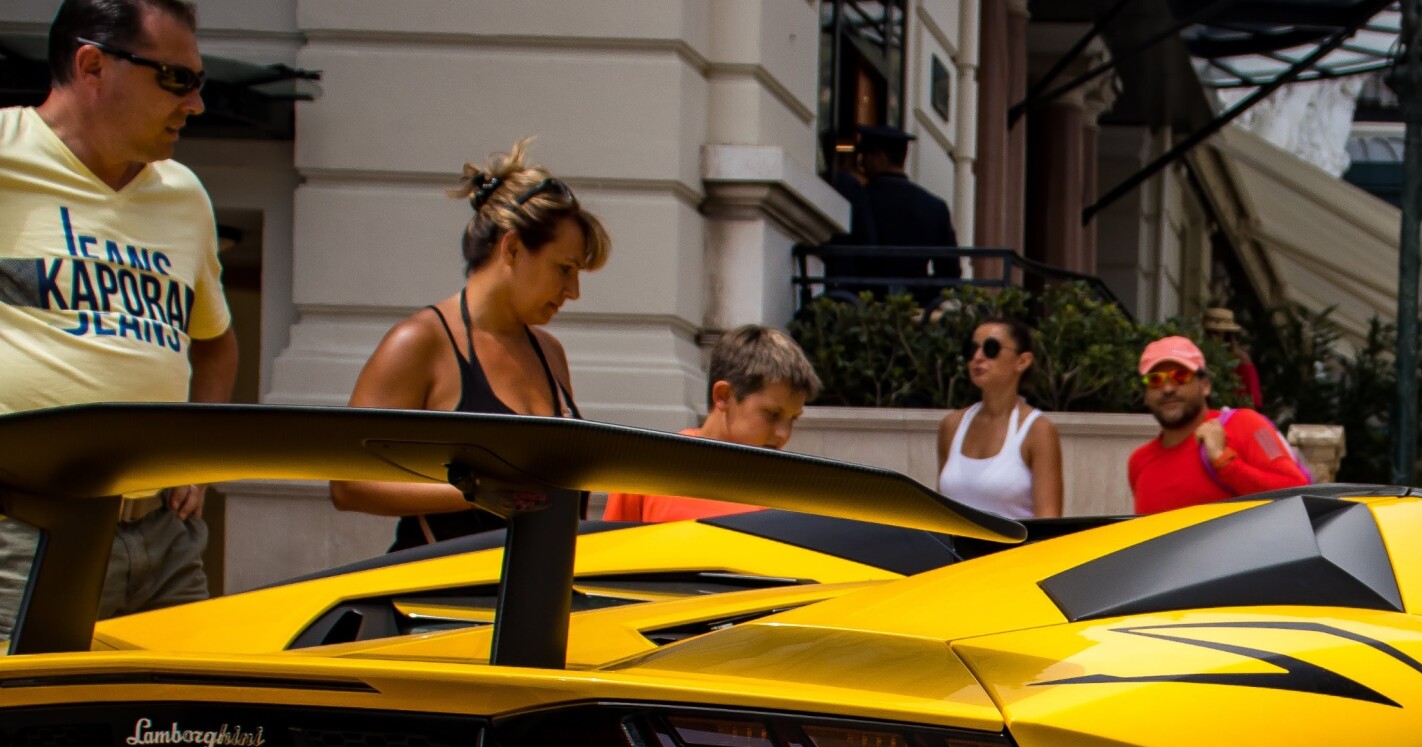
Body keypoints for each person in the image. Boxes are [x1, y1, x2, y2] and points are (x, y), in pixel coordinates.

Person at [0, 0, 237, 644]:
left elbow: (215, 348)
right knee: (29, 732)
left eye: (198, 83)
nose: (194, 104)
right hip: (25, 528)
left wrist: (199, 462)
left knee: (186, 731)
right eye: (176, 79)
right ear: (92, 65)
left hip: (164, 537)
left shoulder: (184, 193)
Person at [331, 139, 610, 549]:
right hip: (442, 603)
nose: (573, 291)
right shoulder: (420, 342)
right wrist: (476, 493)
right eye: (565, 269)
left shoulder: (550, 353)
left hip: (539, 597)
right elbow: (348, 485)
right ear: (512, 248)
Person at [602, 325, 819, 525]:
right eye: (771, 414)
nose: (783, 434)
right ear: (723, 396)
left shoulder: (790, 492)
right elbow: (610, 558)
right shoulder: (644, 471)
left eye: (793, 419)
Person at [1124, 334, 1309, 515]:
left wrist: (1225, 463)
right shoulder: (1139, 462)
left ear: (1205, 385)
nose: (1168, 388)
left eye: (1180, 376)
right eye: (1155, 380)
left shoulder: (1247, 424)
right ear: (1145, 395)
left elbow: (1299, 493)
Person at [936, 316, 1062, 522]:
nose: (978, 357)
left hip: (1013, 554)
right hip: (956, 554)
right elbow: (939, 513)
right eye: (972, 349)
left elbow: (1049, 525)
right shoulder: (952, 426)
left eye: (991, 349)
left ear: (1022, 361)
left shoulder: (1038, 431)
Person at [854, 123, 955, 287]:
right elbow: (950, 273)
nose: (861, 163)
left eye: (864, 155)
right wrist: (921, 293)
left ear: (879, 156)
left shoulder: (860, 199)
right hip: (913, 307)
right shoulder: (934, 207)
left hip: (859, 303)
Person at [1201, 306, 1261, 406]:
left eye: (1216, 333)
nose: (1212, 338)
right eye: (1209, 333)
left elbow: (1253, 400)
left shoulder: (1242, 360)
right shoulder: (1200, 357)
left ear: (1227, 335)